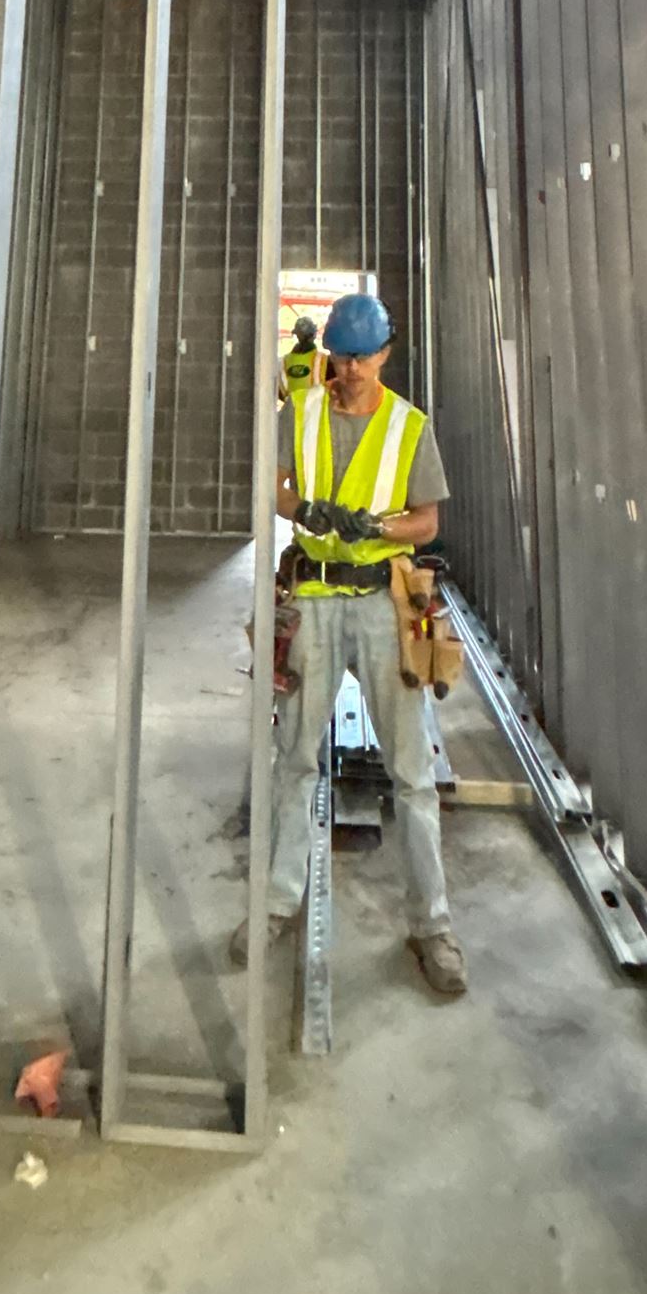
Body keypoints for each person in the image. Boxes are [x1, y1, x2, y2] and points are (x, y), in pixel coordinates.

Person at [233, 290, 467, 999]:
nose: (351, 371)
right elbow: (274, 487)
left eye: (363, 358)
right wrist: (304, 508)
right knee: (294, 761)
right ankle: (275, 902)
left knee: (412, 773)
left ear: (385, 355)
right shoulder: (300, 409)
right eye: (342, 358)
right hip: (312, 600)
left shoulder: (408, 426)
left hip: (377, 603)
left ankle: (432, 928)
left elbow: (426, 522)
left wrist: (376, 529)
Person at [278, 313, 321, 400]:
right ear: (314, 335)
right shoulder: (324, 360)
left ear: (297, 335)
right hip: (316, 412)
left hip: (292, 411)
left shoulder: (283, 361)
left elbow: (280, 393)